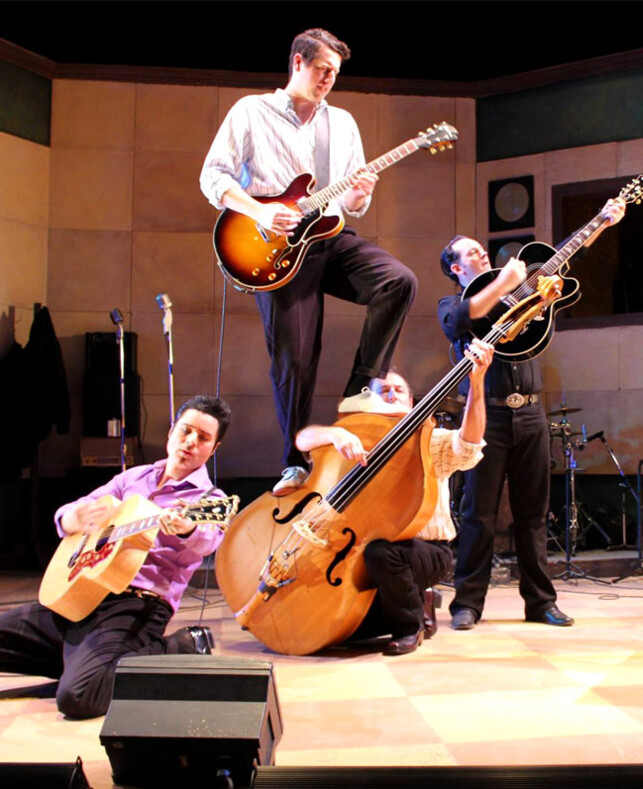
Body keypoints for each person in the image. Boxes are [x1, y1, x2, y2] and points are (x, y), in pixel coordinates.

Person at [200, 28, 417, 488]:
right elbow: (213, 176)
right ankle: (295, 462)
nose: (328, 81)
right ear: (297, 62)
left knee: (399, 281)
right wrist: (261, 210)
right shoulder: (251, 111)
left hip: (329, 236)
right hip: (271, 248)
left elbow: (352, 204)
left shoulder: (343, 123)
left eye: (334, 74)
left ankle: (361, 390)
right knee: (296, 362)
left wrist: (360, 193)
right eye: (322, 70)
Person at [437, 198, 625, 630]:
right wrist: (503, 282)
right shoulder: (453, 306)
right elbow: (464, 319)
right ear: (454, 268)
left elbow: (566, 250)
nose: (479, 253)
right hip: (489, 420)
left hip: (532, 416)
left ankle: (541, 603)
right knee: (478, 515)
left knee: (533, 514)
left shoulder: (520, 290)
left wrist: (602, 221)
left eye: (479, 248)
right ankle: (467, 604)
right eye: (468, 253)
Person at [0, 396, 231, 719]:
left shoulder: (209, 500)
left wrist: (186, 528)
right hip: (83, 594)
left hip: (135, 606)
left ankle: (182, 646)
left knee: (79, 697)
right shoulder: (132, 479)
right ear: (170, 433)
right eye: (185, 431)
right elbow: (75, 511)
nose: (191, 442)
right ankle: (85, 660)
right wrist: (72, 519)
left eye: (203, 438)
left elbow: (207, 541)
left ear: (213, 449)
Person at [293, 341, 493, 655]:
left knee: (382, 554)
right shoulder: (356, 434)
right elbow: (304, 440)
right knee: (340, 629)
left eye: (398, 390)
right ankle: (416, 605)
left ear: (412, 402)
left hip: (424, 550)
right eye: (381, 391)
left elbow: (468, 446)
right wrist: (336, 434)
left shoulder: (429, 440)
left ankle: (409, 628)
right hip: (361, 549)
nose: (390, 394)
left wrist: (477, 383)